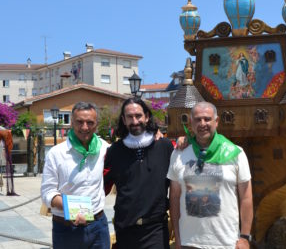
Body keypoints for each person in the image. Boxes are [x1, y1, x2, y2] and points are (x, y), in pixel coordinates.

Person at [168, 102, 253, 249]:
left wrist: (245, 237)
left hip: (226, 243)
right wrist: (177, 236)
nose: (203, 124)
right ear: (191, 123)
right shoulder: (178, 154)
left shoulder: (235, 153)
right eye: (198, 119)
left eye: (207, 119)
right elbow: (174, 197)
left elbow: (246, 197)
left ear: (217, 121)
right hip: (189, 243)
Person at [104, 97, 174, 249]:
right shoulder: (114, 151)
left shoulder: (165, 146)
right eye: (130, 117)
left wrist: (184, 140)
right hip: (125, 230)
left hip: (156, 230)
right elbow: (100, 186)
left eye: (138, 116)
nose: (135, 121)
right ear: (123, 119)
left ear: (147, 117)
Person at [41, 102, 110, 249]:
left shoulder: (105, 148)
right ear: (71, 123)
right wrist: (71, 209)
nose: (85, 127)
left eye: (90, 122)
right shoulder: (56, 153)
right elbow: (48, 193)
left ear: (96, 124)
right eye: (79, 122)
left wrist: (153, 133)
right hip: (66, 229)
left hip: (99, 227)